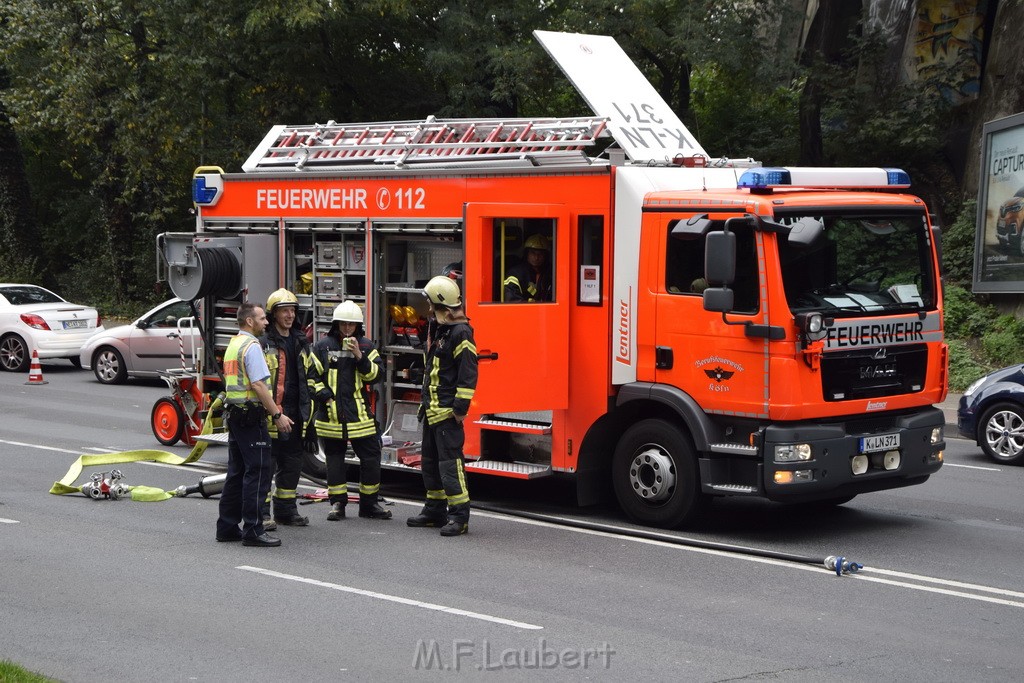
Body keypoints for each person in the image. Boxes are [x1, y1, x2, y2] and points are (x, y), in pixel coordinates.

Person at [406, 276, 478, 536]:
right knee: (430, 463)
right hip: (433, 411)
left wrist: (459, 409)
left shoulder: (461, 332)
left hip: (447, 413)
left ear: (444, 308)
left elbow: (467, 374)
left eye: (432, 307)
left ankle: (459, 517)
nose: (429, 312)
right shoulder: (442, 328)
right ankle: (434, 510)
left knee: (450, 466)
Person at [215, 302, 291, 547]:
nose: (266, 322)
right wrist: (277, 415)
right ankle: (253, 530)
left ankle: (227, 527)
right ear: (250, 321)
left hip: (236, 416)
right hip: (250, 417)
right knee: (258, 472)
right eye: (262, 318)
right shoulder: (252, 346)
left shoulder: (234, 343)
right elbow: (259, 385)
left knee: (236, 473)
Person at [307, 300, 391, 521]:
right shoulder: (322, 346)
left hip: (359, 417)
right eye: (343, 324)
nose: (346, 329)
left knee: (371, 458)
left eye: (351, 325)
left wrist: (359, 357)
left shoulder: (365, 346)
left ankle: (369, 505)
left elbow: (376, 376)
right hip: (330, 417)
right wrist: (324, 394)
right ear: (336, 324)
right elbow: (311, 377)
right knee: (334, 460)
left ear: (357, 326)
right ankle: (337, 505)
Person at [260, 288, 318, 529]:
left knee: (292, 463)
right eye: (285, 311)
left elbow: (313, 377)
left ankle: (285, 510)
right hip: (271, 415)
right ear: (273, 314)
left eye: (293, 310)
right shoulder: (264, 343)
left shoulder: (301, 342)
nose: (290, 315)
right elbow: (259, 382)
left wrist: (311, 418)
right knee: (266, 466)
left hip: (295, 415)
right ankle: (261, 514)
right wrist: (273, 413)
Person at [503, 234, 551, 302]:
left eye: (540, 254)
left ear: (546, 256)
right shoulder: (515, 274)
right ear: (526, 254)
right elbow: (512, 301)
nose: (536, 257)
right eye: (533, 253)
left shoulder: (551, 274)